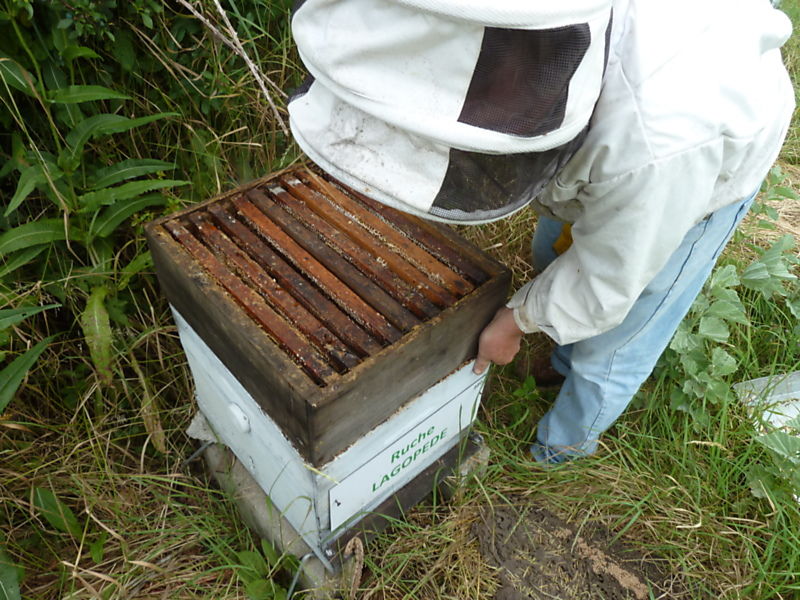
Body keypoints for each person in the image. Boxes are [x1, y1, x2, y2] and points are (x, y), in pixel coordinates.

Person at [287, 0, 795, 462]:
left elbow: (607, 283)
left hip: (704, 172)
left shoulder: (656, 151)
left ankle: (562, 450)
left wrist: (514, 321)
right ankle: (556, 353)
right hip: (631, 126)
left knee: (613, 346)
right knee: (550, 251)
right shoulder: (537, 40)